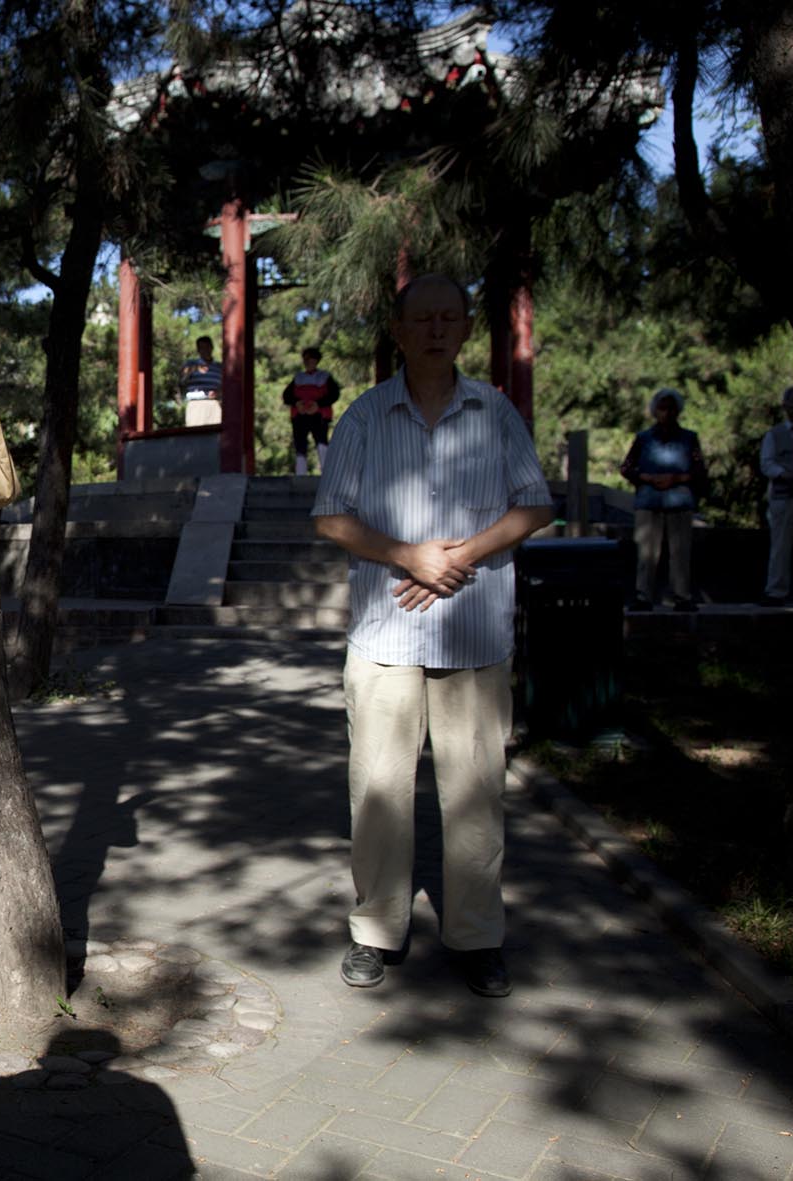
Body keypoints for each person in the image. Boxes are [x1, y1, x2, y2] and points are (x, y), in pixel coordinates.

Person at [312, 273, 553, 999]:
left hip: (475, 634)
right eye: (424, 318)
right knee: (380, 791)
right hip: (386, 635)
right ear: (399, 327)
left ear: (466, 327)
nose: (437, 329)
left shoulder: (494, 411)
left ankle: (477, 935)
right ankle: (375, 931)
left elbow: (534, 504)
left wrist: (459, 555)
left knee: (476, 792)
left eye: (450, 317)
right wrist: (408, 554)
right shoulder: (363, 416)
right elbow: (331, 516)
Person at [620, 387, 706, 612]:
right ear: (654, 411)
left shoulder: (689, 438)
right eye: (662, 408)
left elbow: (699, 470)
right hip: (649, 500)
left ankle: (681, 595)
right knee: (646, 553)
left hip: (679, 501)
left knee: (680, 553)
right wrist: (645, 477)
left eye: (670, 408)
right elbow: (627, 467)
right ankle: (643, 595)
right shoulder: (643, 439)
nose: (666, 413)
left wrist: (678, 478)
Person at [761, 385, 793, 605]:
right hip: (783, 495)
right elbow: (767, 464)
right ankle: (776, 591)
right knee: (780, 546)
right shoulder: (775, 434)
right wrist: (786, 474)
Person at [281, 346, 342, 476]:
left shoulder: (325, 377)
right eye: (306, 359)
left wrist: (318, 404)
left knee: (321, 442)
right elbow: (286, 396)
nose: (308, 362)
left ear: (317, 361)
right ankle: (301, 474)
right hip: (300, 415)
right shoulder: (298, 378)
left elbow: (334, 394)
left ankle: (327, 474)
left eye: (311, 359)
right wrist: (297, 403)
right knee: (300, 444)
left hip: (319, 415)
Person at [180, 335, 223, 401]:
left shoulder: (220, 367)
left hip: (215, 402)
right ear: (198, 350)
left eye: (207, 347)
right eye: (202, 348)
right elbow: (182, 378)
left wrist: (218, 393)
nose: (205, 350)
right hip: (196, 403)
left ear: (212, 347)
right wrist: (195, 368)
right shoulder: (191, 363)